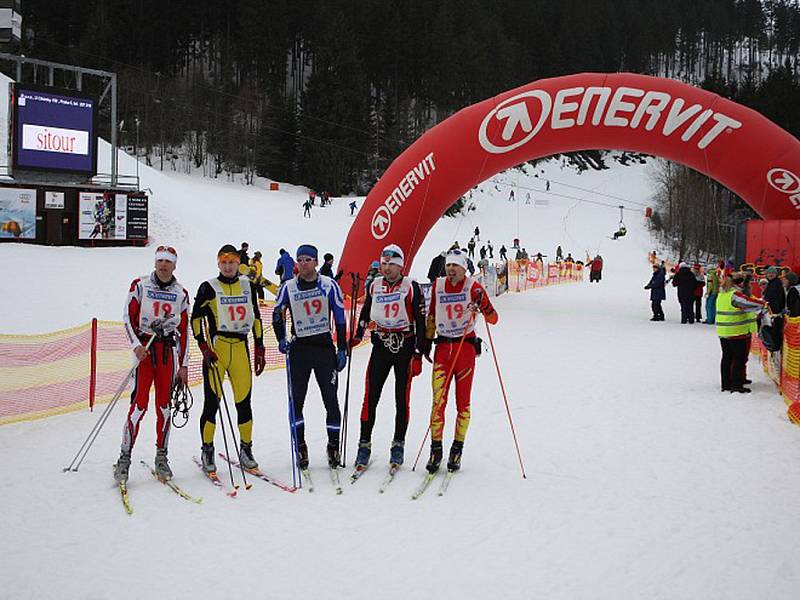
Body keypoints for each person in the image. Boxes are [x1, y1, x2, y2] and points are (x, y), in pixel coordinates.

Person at [114, 246, 191, 483]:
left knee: (165, 407)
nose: (163, 265)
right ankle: (124, 458)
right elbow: (128, 316)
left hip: (167, 353)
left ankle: (162, 456)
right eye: (160, 261)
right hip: (144, 352)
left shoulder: (181, 293)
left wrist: (184, 365)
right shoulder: (140, 285)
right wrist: (135, 345)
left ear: (175, 265)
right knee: (139, 406)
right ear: (155, 262)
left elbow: (185, 330)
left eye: (168, 261)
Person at [350, 244, 427, 469]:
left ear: (400, 265)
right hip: (381, 345)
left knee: (401, 399)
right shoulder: (374, 285)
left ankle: (398, 445)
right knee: (370, 396)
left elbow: (421, 322)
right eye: (383, 263)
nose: (386, 268)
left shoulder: (411, 286)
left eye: (391, 264)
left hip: (405, 345)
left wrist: (419, 353)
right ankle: (364, 445)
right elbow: (366, 310)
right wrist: (357, 334)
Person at [191, 245, 266, 474]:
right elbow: (195, 319)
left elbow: (255, 317)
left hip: (241, 348)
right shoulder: (208, 287)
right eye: (223, 262)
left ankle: (246, 449)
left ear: (238, 263)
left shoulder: (247, 285)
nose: (228, 266)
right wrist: (204, 346)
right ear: (218, 263)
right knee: (212, 403)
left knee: (244, 403)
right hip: (218, 350)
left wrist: (260, 346)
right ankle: (208, 449)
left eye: (232, 261)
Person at [273, 244, 348, 469]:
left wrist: (342, 348)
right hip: (300, 349)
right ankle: (301, 447)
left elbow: (340, 317)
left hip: (324, 348)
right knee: (296, 401)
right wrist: (280, 338)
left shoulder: (329, 285)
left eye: (308, 260)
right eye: (300, 260)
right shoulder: (288, 287)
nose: (303, 264)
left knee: (331, 400)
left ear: (316, 262)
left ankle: (333, 446)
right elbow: (278, 313)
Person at [423, 249, 498, 473]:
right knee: (438, 402)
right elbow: (432, 316)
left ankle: (457, 448)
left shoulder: (473, 287)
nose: (451, 270)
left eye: (456, 266)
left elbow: (494, 319)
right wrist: (426, 343)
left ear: (464, 268)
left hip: (465, 350)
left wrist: (482, 306)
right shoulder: (437, 285)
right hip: (443, 349)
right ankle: (436, 449)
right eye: (448, 266)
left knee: (462, 403)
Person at [716, 272, 764, 393]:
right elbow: (749, 303)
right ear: (739, 283)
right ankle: (736, 385)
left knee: (727, 358)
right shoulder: (734, 295)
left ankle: (726, 384)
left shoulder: (722, 294)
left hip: (724, 331)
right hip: (736, 332)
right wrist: (764, 304)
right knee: (739, 358)